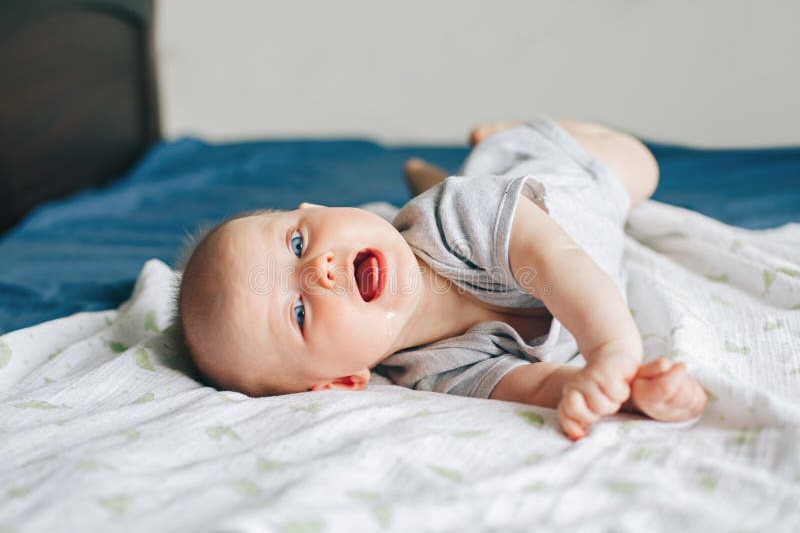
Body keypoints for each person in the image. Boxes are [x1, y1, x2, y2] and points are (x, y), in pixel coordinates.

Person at [175, 117, 707, 441]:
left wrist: (613, 350)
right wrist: (624, 392)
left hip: (569, 170)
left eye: (296, 244)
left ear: (315, 208)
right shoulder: (437, 376)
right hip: (494, 191)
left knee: (642, 166)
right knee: (474, 174)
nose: (318, 271)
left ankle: (502, 138)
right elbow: (543, 384)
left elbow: (559, 260)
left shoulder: (454, 217)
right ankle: (447, 164)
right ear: (340, 380)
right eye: (298, 312)